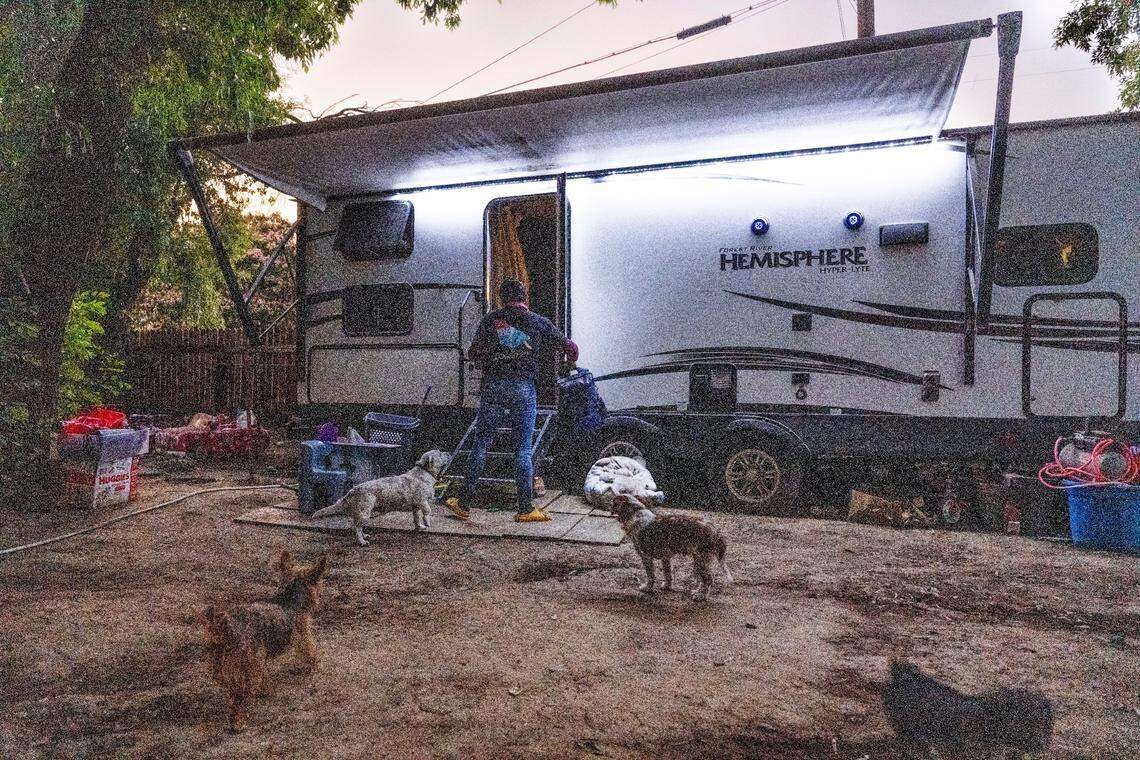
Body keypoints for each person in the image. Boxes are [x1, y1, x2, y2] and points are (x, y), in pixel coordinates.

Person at [450, 278, 578, 522]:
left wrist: (494, 355)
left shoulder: (490, 320)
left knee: (481, 445)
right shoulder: (539, 322)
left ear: (501, 299)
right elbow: (571, 348)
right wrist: (567, 360)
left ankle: (464, 504)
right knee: (523, 449)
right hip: (523, 388)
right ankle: (525, 509)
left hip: (494, 387)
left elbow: (473, 352)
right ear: (524, 298)